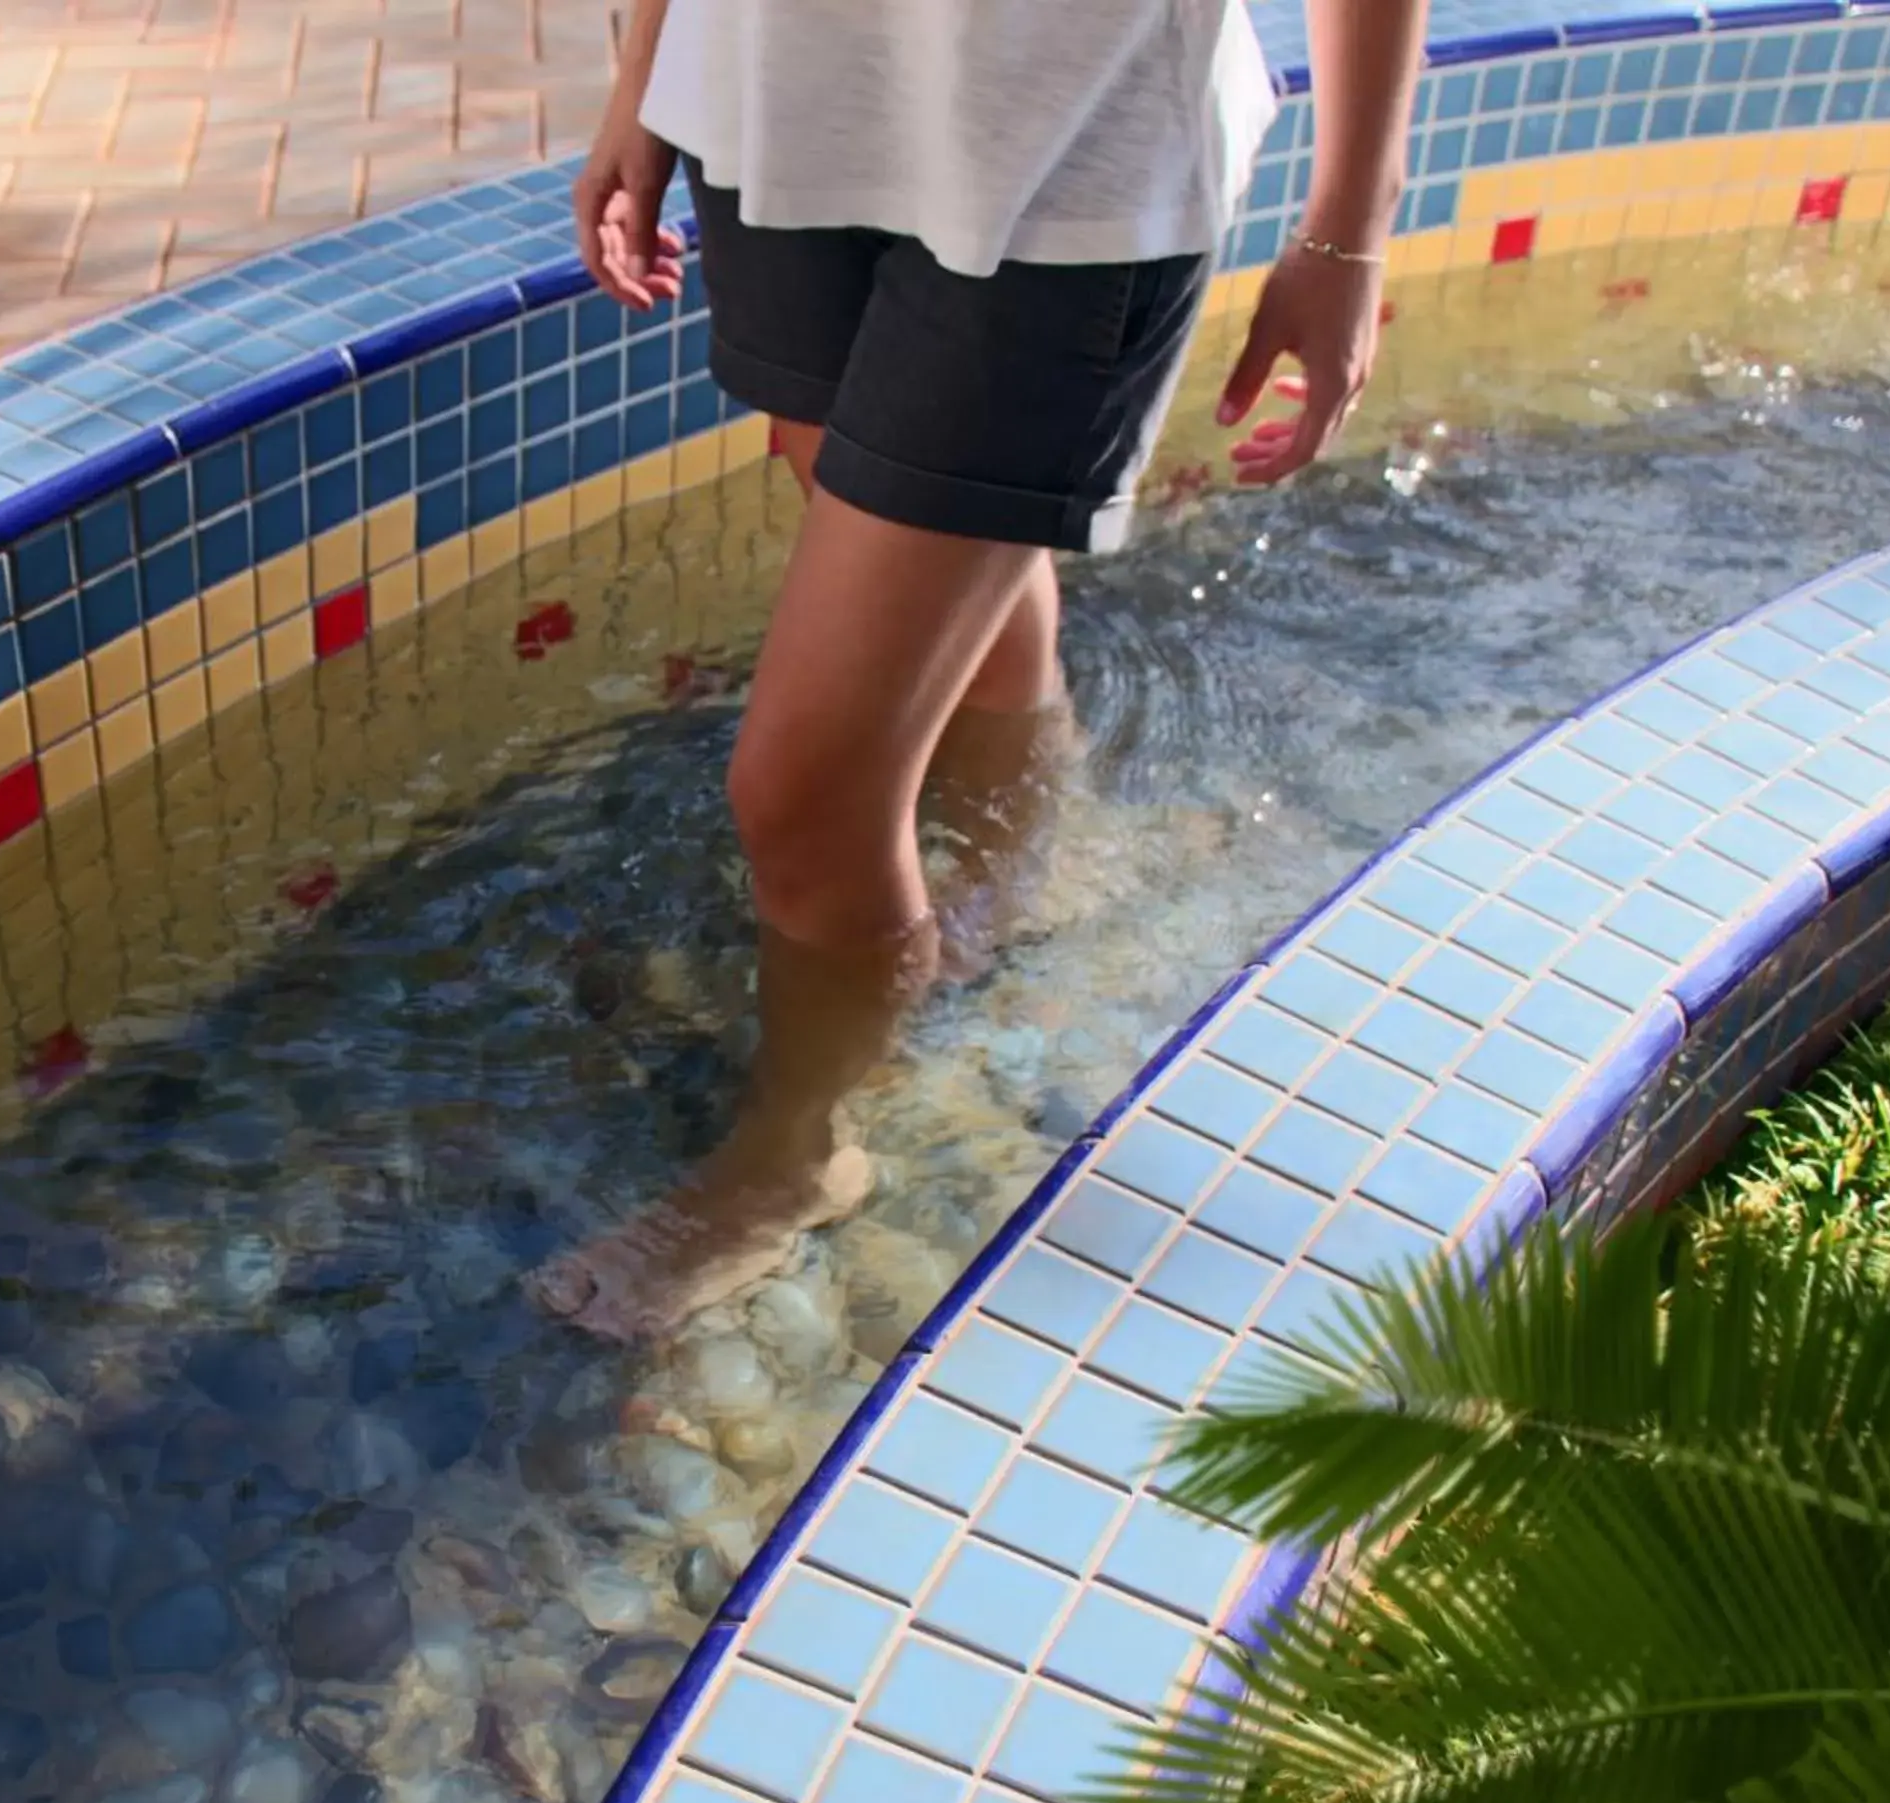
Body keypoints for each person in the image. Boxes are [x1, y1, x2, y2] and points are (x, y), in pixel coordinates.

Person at [532, 0, 1428, 1341]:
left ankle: (798, 1158)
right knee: (908, 526)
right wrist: (644, 82)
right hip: (773, 99)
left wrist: (1351, 222)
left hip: (1067, 153)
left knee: (804, 795)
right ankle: (1015, 850)